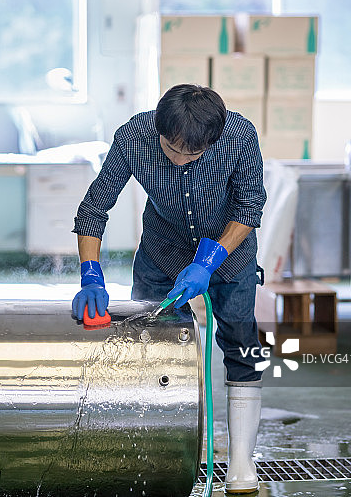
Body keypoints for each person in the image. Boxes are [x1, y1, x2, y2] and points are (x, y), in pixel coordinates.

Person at [71, 84, 267, 494]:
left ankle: (242, 462)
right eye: (170, 148)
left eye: (189, 154)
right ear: (159, 127)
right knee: (150, 347)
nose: (177, 158)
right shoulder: (135, 136)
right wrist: (91, 273)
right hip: (162, 253)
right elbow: (94, 207)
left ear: (211, 141)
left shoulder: (240, 137)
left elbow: (249, 207)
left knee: (241, 343)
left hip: (229, 256)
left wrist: (208, 263)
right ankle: (161, 451)